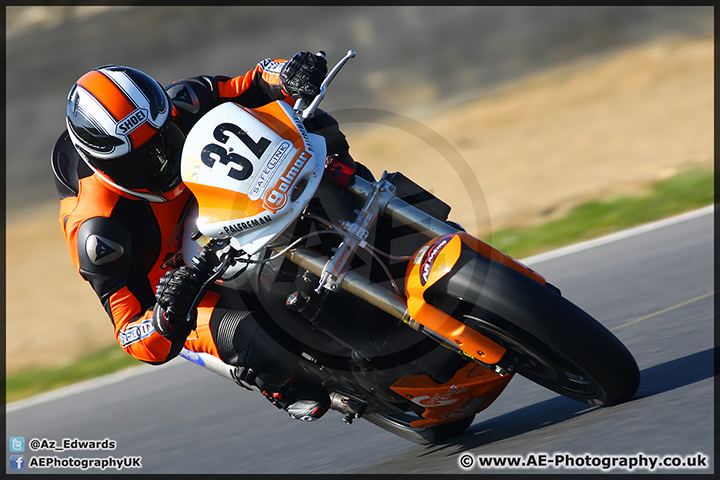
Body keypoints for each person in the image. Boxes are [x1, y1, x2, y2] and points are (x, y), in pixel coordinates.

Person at [52, 51, 360, 422]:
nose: (162, 159)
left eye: (163, 139)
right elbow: (129, 332)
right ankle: (279, 381)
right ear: (103, 167)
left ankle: (366, 201)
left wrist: (290, 74)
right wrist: (166, 313)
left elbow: (256, 80)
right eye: (141, 160)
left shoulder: (182, 102)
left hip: (232, 198)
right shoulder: (99, 230)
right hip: (181, 278)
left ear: (165, 114)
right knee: (252, 338)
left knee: (312, 126)